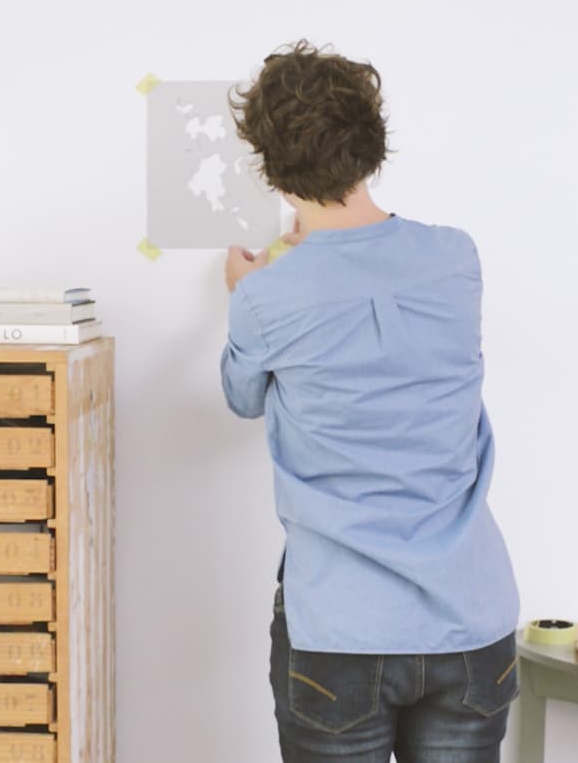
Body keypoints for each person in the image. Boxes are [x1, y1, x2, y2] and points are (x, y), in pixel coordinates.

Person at [220, 39, 522, 762]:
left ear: (270, 166)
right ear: (370, 144)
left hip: (341, 631)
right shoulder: (457, 257)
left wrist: (246, 290)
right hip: (471, 620)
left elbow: (241, 398)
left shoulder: (266, 295)